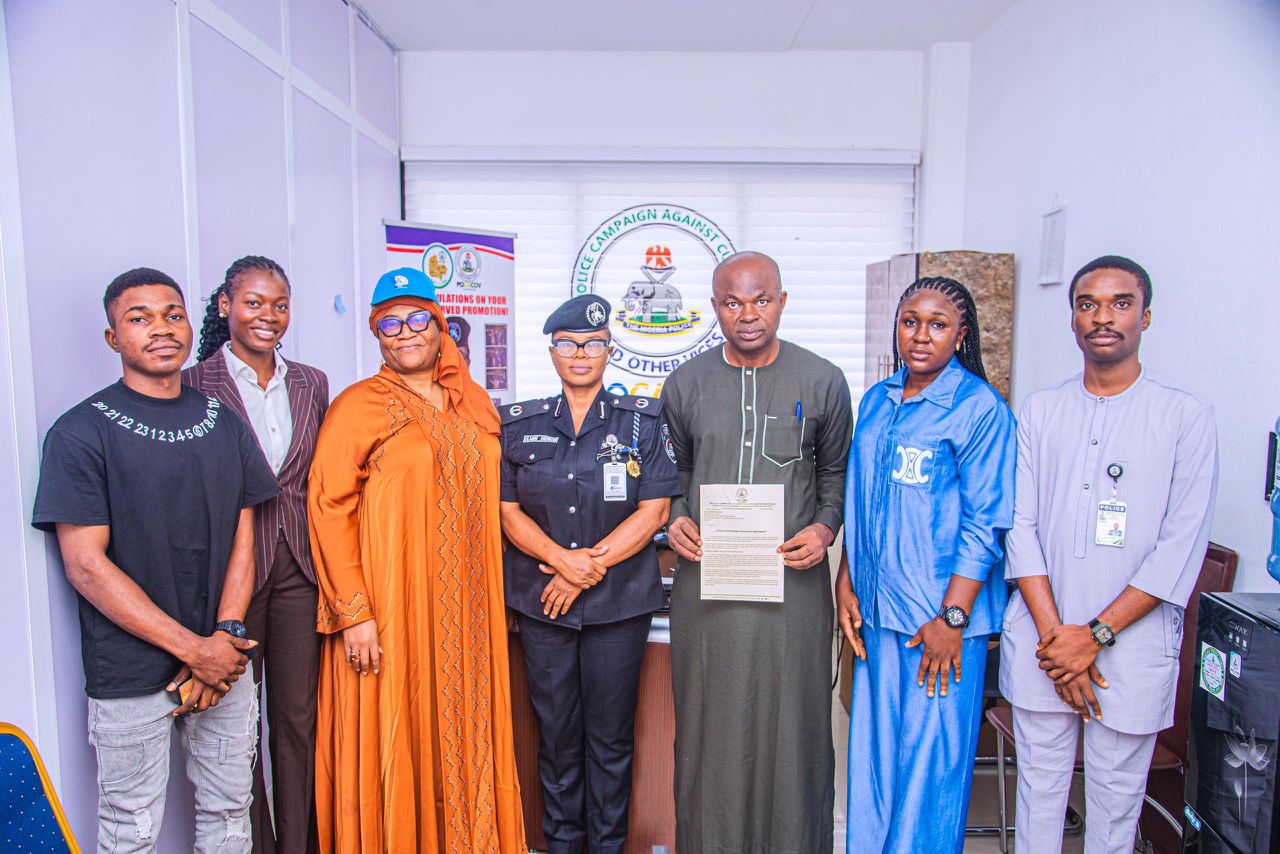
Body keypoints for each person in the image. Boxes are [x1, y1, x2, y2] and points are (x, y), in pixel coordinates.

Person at [32, 268, 278, 852]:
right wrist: (195, 651)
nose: (162, 329)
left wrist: (225, 636)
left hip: (224, 661)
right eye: (139, 318)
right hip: (131, 669)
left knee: (230, 816)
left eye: (173, 315)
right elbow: (86, 566)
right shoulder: (80, 431)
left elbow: (244, 537)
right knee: (131, 830)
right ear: (113, 337)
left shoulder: (224, 422)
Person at [1000, 255, 1218, 853]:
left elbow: (1179, 548)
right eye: (1088, 304)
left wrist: (1093, 636)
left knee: (1116, 811)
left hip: (1131, 650)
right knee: (1038, 798)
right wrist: (1059, 641)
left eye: (1121, 303)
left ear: (1145, 317)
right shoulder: (1040, 410)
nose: (1103, 317)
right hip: (1045, 644)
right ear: (1072, 319)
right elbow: (1019, 528)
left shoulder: (1184, 416)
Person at [307, 267, 525, 853]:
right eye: (389, 323)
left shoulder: (471, 401)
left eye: (417, 319)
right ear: (376, 333)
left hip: (469, 610)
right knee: (400, 723)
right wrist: (354, 612)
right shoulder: (358, 405)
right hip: (393, 605)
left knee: (465, 724)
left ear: (440, 324)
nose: (405, 332)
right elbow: (327, 507)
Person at [662, 251, 853, 853]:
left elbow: (836, 476)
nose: (748, 315)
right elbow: (674, 475)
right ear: (714, 308)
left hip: (792, 585)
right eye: (732, 302)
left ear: (782, 301)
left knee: (794, 724)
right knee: (708, 725)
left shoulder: (822, 380)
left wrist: (823, 529)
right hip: (708, 587)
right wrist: (675, 518)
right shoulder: (685, 384)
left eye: (761, 300)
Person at [836, 277, 1016, 853]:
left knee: (929, 774)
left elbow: (985, 525)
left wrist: (952, 620)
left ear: (961, 335)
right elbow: (862, 502)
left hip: (938, 625)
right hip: (877, 615)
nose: (921, 335)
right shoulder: (878, 400)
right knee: (874, 765)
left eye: (938, 325)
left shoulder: (979, 409)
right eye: (910, 321)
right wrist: (846, 580)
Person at [499, 295, 680, 854]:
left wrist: (584, 567)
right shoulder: (518, 424)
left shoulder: (642, 421)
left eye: (593, 344)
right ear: (552, 351)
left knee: (610, 742)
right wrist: (561, 560)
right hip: (544, 607)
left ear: (608, 351)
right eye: (568, 344)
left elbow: (655, 511)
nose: (580, 354)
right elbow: (507, 512)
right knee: (556, 741)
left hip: (617, 608)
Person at [184, 256, 329, 854]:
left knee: (297, 720)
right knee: (234, 726)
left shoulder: (312, 383)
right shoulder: (193, 385)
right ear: (225, 306)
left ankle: (299, 844)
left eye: (280, 305)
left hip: (300, 569)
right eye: (253, 302)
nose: (268, 316)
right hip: (230, 577)